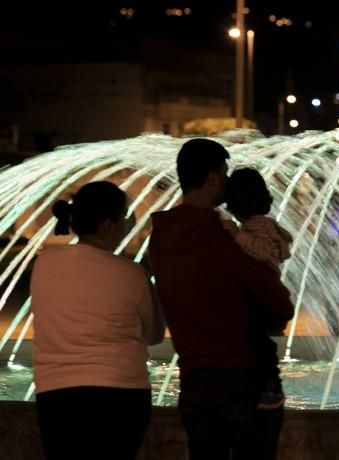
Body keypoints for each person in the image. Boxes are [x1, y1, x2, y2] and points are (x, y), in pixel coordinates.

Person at [148, 138, 294, 460]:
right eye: (225, 174)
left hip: (194, 381)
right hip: (243, 379)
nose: (228, 183)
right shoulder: (220, 237)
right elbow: (281, 305)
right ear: (212, 178)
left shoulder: (159, 239)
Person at [31, 181, 165, 460]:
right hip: (121, 395)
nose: (127, 225)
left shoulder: (44, 263)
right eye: (124, 218)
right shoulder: (131, 273)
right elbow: (153, 335)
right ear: (107, 224)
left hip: (56, 395)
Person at [223, 168, 292, 410]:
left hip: (260, 294)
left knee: (256, 341)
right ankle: (265, 387)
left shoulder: (257, 225)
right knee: (256, 340)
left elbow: (262, 251)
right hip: (263, 290)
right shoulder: (261, 223)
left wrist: (236, 235)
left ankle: (268, 390)